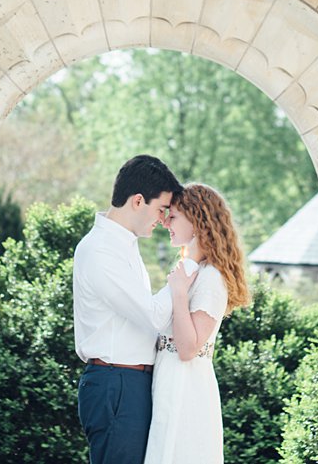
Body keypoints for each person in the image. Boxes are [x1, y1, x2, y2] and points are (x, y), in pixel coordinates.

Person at [73, 155, 185, 464]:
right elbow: (152, 315)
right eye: (162, 209)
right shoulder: (100, 250)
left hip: (127, 382)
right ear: (138, 201)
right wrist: (183, 275)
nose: (164, 220)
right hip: (116, 383)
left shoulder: (122, 246)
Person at [144, 183, 251, 464]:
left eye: (174, 216)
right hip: (168, 378)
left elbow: (188, 348)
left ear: (197, 220)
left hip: (185, 384)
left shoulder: (212, 278)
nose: (166, 222)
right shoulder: (194, 270)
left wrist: (179, 293)